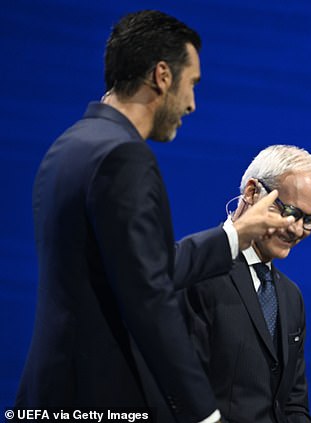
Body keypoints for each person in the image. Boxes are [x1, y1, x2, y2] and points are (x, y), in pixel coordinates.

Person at [16, 10, 293, 423]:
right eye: (192, 85)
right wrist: (204, 414)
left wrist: (235, 234)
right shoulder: (125, 156)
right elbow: (150, 299)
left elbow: (143, 269)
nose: (192, 104)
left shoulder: (70, 145)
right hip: (98, 398)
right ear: (162, 75)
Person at [183, 145, 311, 423]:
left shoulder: (290, 297)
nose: (296, 229)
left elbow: (294, 404)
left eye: (309, 220)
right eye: (288, 211)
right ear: (251, 192)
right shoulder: (198, 271)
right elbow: (184, 393)